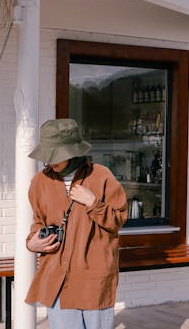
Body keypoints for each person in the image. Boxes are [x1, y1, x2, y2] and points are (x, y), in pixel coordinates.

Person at [25, 118, 128, 329]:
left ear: (73, 151)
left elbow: (118, 221)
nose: (51, 162)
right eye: (48, 155)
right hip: (57, 279)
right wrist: (32, 243)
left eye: (57, 155)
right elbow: (38, 222)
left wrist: (93, 203)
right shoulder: (39, 182)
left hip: (94, 279)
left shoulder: (101, 176)